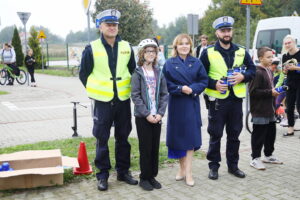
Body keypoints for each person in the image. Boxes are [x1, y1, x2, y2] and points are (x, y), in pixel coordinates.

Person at [79, 9, 138, 191]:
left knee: (123, 138)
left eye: (115, 25)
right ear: (100, 27)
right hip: (102, 102)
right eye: (108, 24)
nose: (112, 28)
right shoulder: (92, 48)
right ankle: (102, 175)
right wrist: (95, 91)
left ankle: (123, 172)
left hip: (122, 100)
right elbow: (84, 74)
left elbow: (133, 71)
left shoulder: (127, 47)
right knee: (102, 139)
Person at [200, 16, 256, 180]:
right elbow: (200, 76)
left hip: (236, 100)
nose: (226, 33)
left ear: (232, 31)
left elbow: (253, 71)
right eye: (223, 30)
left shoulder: (241, 51)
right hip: (217, 101)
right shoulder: (208, 52)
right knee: (215, 135)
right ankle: (214, 167)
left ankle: (233, 166)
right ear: (217, 33)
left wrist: (242, 77)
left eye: (228, 30)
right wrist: (213, 84)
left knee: (234, 135)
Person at [163, 33, 208, 186]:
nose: (184, 46)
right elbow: (166, 84)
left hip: (191, 104)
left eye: (186, 43)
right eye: (181, 43)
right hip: (176, 103)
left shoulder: (197, 62)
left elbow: (204, 80)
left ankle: (189, 173)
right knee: (178, 139)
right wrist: (180, 88)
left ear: (190, 46)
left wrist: (192, 89)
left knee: (189, 139)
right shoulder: (169, 63)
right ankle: (181, 169)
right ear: (176, 46)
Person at [131, 38, 168, 191]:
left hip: (157, 116)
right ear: (142, 53)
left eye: (153, 51)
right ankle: (144, 177)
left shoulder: (159, 72)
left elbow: (164, 94)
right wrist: (146, 114)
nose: (151, 53)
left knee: (154, 147)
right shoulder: (138, 73)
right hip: (143, 117)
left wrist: (160, 114)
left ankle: (152, 176)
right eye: (147, 51)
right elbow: (135, 95)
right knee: (145, 147)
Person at [249, 47, 283, 170]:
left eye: (271, 57)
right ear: (260, 58)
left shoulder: (269, 70)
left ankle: (268, 155)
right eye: (268, 57)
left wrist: (274, 93)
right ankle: (255, 158)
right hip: (259, 110)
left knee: (270, 134)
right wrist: (270, 92)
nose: (271, 59)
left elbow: (270, 89)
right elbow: (253, 92)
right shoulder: (257, 72)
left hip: (270, 109)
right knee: (259, 135)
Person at [281, 35, 300, 136]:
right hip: (290, 83)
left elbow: (296, 68)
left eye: (289, 43)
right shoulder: (285, 56)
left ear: (294, 43)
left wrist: (295, 68)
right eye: (286, 43)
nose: (288, 45)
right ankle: (290, 129)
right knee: (289, 106)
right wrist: (285, 70)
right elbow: (284, 72)